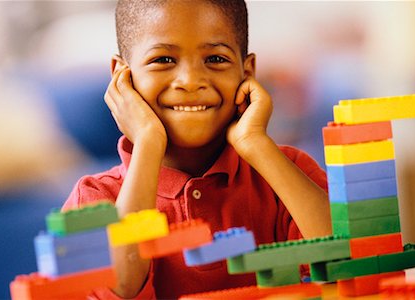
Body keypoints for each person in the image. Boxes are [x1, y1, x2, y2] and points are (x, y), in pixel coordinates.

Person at [63, 0, 332, 299]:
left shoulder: (288, 170)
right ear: (121, 77)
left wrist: (255, 143)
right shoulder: (93, 200)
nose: (190, 81)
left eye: (215, 59)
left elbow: (352, 264)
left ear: (247, 72)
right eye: (163, 60)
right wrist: (148, 143)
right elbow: (120, 288)